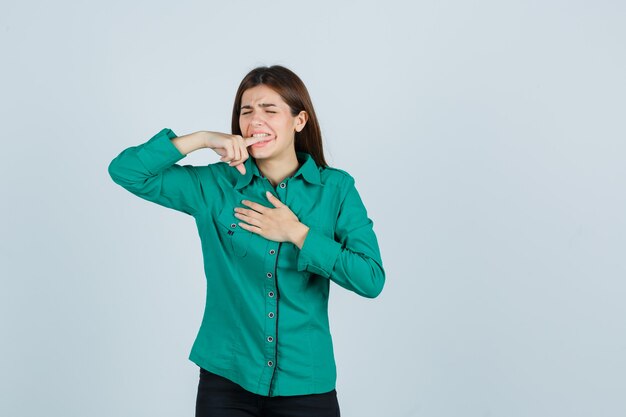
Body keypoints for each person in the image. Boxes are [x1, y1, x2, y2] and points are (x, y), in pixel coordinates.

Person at [108, 65, 385, 417]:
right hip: (226, 380)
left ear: (299, 121)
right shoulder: (214, 186)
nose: (256, 121)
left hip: (305, 385)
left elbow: (371, 278)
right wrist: (204, 138)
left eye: (270, 110)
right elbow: (126, 171)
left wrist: (297, 233)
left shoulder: (337, 190)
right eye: (246, 111)